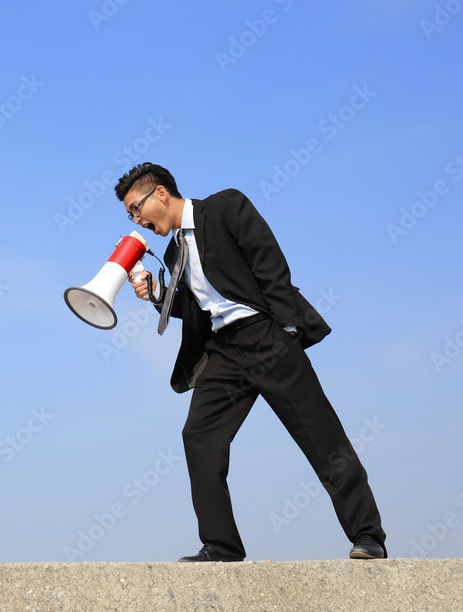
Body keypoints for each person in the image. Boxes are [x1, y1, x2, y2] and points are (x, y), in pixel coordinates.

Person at [115, 162, 386, 561]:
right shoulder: (174, 252)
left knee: (321, 434)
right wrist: (158, 293)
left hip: (267, 336)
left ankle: (368, 536)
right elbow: (193, 309)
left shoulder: (225, 207)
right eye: (129, 216)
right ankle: (222, 546)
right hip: (223, 351)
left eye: (135, 209)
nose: (136, 220)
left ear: (159, 193)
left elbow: (269, 263)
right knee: (199, 436)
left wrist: (287, 332)